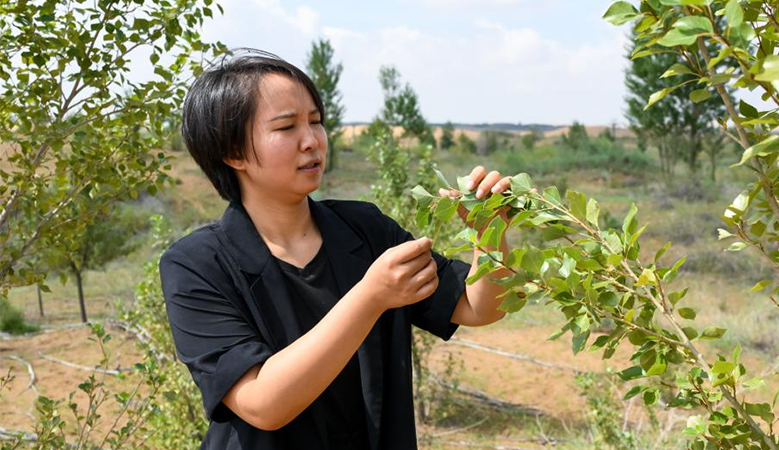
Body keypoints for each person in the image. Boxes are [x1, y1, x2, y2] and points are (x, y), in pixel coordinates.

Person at [159, 48, 513, 450]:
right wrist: (371, 297)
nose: (312, 141)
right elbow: (262, 403)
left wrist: (490, 233)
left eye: (316, 122)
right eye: (286, 127)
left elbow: (476, 307)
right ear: (233, 152)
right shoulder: (196, 265)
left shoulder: (364, 229)